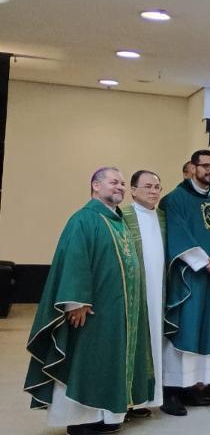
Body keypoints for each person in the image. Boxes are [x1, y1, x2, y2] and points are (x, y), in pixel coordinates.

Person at [25, 168, 154, 433]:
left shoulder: (118, 221)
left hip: (118, 310)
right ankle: (79, 420)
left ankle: (105, 417)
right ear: (96, 186)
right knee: (86, 361)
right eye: (114, 182)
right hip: (91, 310)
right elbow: (75, 259)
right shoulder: (84, 219)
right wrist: (77, 301)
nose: (120, 187)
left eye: (122, 183)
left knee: (107, 362)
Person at [161, 150, 210, 409]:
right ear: (193, 168)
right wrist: (205, 262)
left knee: (207, 330)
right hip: (188, 276)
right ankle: (171, 391)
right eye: (205, 166)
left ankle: (194, 386)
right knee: (186, 328)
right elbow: (178, 233)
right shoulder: (174, 199)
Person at [119, 171, 168, 418]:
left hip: (158, 293)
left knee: (154, 346)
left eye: (157, 187)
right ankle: (125, 400)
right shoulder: (123, 216)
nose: (153, 191)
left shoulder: (162, 217)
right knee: (133, 346)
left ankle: (143, 399)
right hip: (133, 293)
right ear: (133, 190)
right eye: (147, 186)